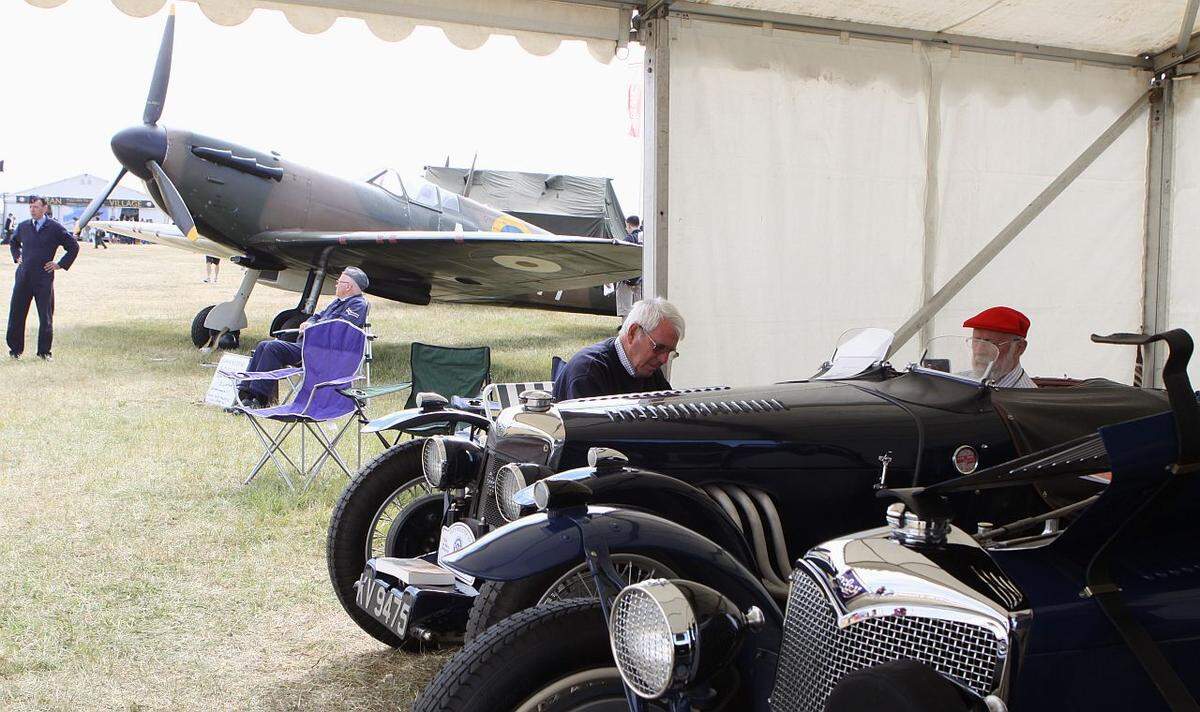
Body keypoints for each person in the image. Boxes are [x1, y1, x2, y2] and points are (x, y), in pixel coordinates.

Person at [236, 267, 371, 408]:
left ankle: (259, 399)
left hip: (322, 353)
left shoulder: (357, 305)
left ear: (348, 286)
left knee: (272, 348)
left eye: (339, 282)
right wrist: (309, 322)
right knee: (263, 345)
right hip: (309, 347)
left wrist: (314, 328)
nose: (336, 284)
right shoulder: (338, 302)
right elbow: (317, 316)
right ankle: (245, 396)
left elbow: (340, 328)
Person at [554, 297, 684, 401]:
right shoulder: (588, 372)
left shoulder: (648, 370)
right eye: (659, 348)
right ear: (633, 333)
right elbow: (590, 432)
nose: (664, 359)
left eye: (669, 352)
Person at [6, 197, 79, 360]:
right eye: (31, 207)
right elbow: (13, 242)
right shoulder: (23, 226)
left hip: (43, 279)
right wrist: (17, 256)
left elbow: (73, 247)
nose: (32, 210)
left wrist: (60, 264)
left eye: (36, 207)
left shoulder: (54, 228)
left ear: (45, 208)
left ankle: (44, 352)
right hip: (23, 277)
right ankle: (15, 351)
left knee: (45, 316)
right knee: (16, 314)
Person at [964, 306, 1036, 388]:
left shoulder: (1024, 397)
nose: (979, 351)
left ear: (1019, 348)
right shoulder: (960, 381)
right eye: (976, 340)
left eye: (989, 343)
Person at [615, 215, 644, 318]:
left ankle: (626, 330)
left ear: (629, 225)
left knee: (626, 311)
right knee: (640, 311)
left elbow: (620, 256)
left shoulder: (629, 238)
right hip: (641, 278)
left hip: (627, 278)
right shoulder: (646, 238)